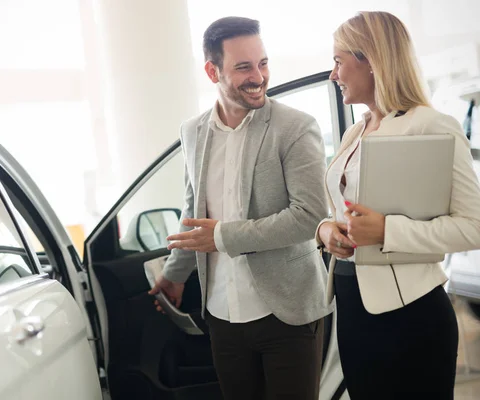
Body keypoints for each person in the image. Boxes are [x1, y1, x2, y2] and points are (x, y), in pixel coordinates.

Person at [148, 16, 333, 400]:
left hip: (287, 312)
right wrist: (175, 273)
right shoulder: (193, 132)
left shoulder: (295, 127)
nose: (259, 76)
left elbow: (309, 215)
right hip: (222, 314)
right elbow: (192, 207)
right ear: (211, 70)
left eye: (263, 63)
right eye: (244, 66)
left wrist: (222, 236)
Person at [317, 11, 480, 399]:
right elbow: (340, 211)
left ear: (370, 60)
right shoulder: (356, 130)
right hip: (352, 306)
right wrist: (325, 230)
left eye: (338, 61)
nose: (332, 74)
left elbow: (473, 226)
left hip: (410, 314)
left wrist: (388, 230)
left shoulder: (431, 124)